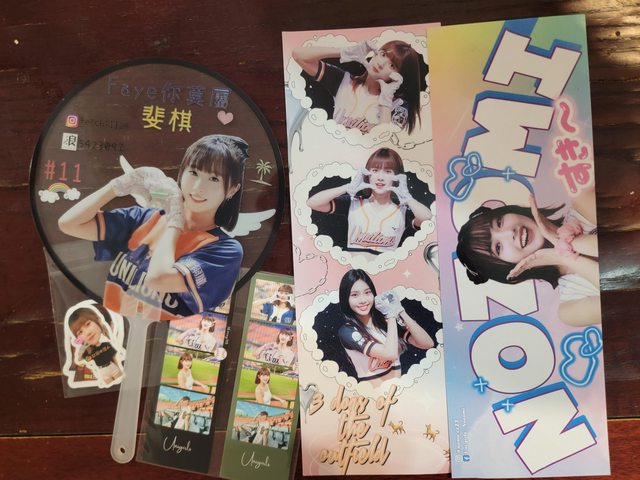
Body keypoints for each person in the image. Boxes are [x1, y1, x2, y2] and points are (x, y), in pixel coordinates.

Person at [58, 134, 248, 319]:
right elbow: (69, 224)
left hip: (150, 338)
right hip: (108, 326)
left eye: (214, 179)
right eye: (194, 172)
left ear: (232, 189)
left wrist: (175, 219)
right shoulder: (146, 218)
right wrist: (117, 186)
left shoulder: (224, 250)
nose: (198, 187)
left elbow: (157, 278)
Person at [456, 193, 600, 326]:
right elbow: (613, 284)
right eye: (498, 247)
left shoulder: (583, 204)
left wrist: (561, 243)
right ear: (505, 268)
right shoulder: (570, 310)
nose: (509, 232)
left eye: (499, 222)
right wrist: (562, 256)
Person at [307, 147, 432, 254]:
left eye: (388, 171)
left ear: (397, 176)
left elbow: (427, 218)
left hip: (387, 270)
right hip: (354, 269)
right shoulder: (353, 203)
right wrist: (347, 187)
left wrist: (407, 197)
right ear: (367, 174)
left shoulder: (403, 210)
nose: (380, 177)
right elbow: (312, 203)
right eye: (375, 170)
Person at [292, 39, 424, 134]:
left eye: (392, 65)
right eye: (383, 54)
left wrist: (386, 100)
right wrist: (345, 52)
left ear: (399, 76)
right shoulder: (344, 81)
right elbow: (298, 55)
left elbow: (386, 146)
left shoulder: (398, 105)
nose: (381, 64)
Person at [337, 269, 434, 386]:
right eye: (354, 295)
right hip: (373, 394)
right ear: (346, 299)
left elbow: (427, 343)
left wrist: (400, 310)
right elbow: (390, 354)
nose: (363, 300)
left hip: (398, 390)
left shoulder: (384, 322)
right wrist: (391, 314)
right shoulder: (348, 331)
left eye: (367, 292)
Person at [68, 307, 123, 385]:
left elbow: (114, 356)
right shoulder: (88, 351)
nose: (88, 333)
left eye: (88, 324)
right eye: (80, 332)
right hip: (102, 372)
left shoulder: (107, 343)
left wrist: (119, 367)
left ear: (98, 320)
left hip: (112, 367)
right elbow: (79, 359)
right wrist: (82, 346)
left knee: (121, 382)